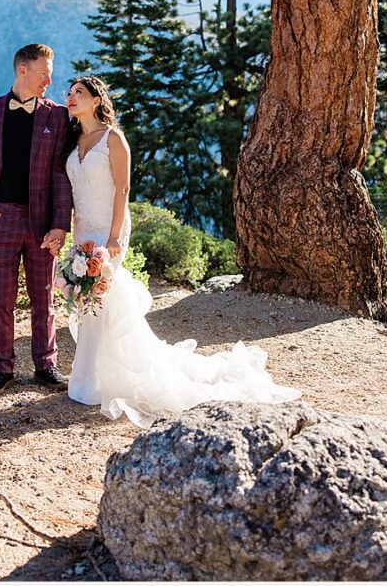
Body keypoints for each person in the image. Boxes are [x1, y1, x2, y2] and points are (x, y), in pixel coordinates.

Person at [61, 74, 300, 427]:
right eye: (69, 93)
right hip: (82, 229)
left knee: (107, 295)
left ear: (97, 100)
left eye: (79, 92)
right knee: (90, 300)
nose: (70, 97)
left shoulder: (114, 140)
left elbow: (123, 190)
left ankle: (105, 377)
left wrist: (113, 237)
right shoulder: (74, 139)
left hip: (109, 229)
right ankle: (90, 375)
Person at [0, 43, 72, 396]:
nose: (50, 80)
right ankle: (1, 369)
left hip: (42, 223)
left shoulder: (56, 115)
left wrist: (60, 224)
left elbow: (60, 174)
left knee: (44, 297)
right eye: (44, 72)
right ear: (23, 70)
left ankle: (45, 365)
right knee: (0, 299)